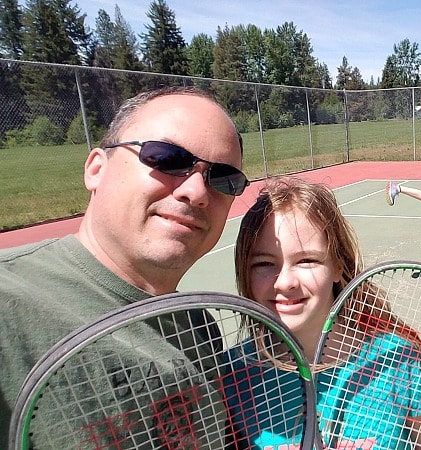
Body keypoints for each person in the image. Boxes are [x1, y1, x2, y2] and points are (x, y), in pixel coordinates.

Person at [0, 86, 248, 447]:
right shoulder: (7, 305)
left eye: (223, 177)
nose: (196, 191)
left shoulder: (198, 324)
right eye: (166, 157)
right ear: (96, 169)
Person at [223, 176, 421, 450]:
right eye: (263, 263)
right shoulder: (229, 374)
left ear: (338, 266)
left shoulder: (398, 360)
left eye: (306, 260)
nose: (285, 282)